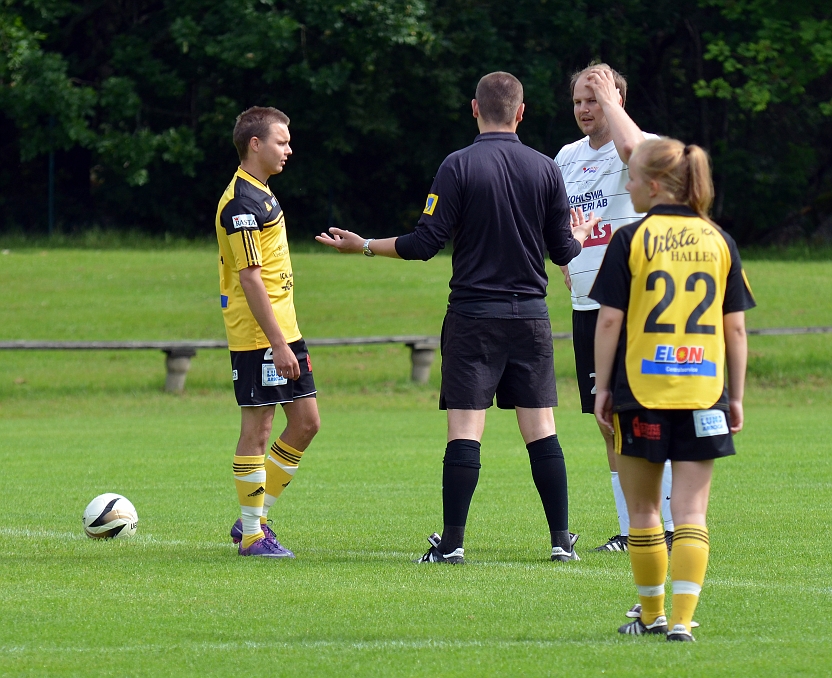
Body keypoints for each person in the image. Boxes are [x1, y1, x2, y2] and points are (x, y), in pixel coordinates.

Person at [316, 72, 598, 563]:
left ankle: (453, 544)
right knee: (542, 430)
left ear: (474, 109)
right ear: (521, 112)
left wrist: (363, 245)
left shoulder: (457, 166)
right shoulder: (546, 169)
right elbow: (562, 250)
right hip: (530, 317)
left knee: (465, 429)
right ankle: (559, 541)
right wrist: (583, 232)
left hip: (473, 317)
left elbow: (425, 244)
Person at [591, 137, 755, 640]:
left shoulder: (630, 240)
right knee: (691, 512)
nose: (628, 184)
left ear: (657, 186)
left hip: (643, 391)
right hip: (704, 392)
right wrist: (736, 395)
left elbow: (609, 321)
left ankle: (650, 615)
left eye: (633, 177)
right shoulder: (718, 240)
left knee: (643, 512)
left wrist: (601, 387)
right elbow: (736, 329)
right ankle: (682, 622)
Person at [555, 63, 674, 553]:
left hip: (636, 309)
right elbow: (557, 222)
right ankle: (631, 531)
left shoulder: (643, 145)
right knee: (607, 421)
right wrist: (563, 255)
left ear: (616, 100)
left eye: (594, 99)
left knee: (643, 415)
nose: (585, 109)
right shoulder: (565, 155)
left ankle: (662, 525)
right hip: (587, 309)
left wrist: (612, 102)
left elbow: (634, 153)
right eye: (579, 101)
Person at [215, 106, 320, 558]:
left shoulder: (261, 194)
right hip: (259, 336)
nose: (289, 149)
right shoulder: (240, 204)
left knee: (306, 422)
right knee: (258, 429)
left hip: (283, 329)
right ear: (254, 144)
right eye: (281, 141)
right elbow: (250, 278)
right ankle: (254, 535)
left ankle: (249, 521)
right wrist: (277, 343)